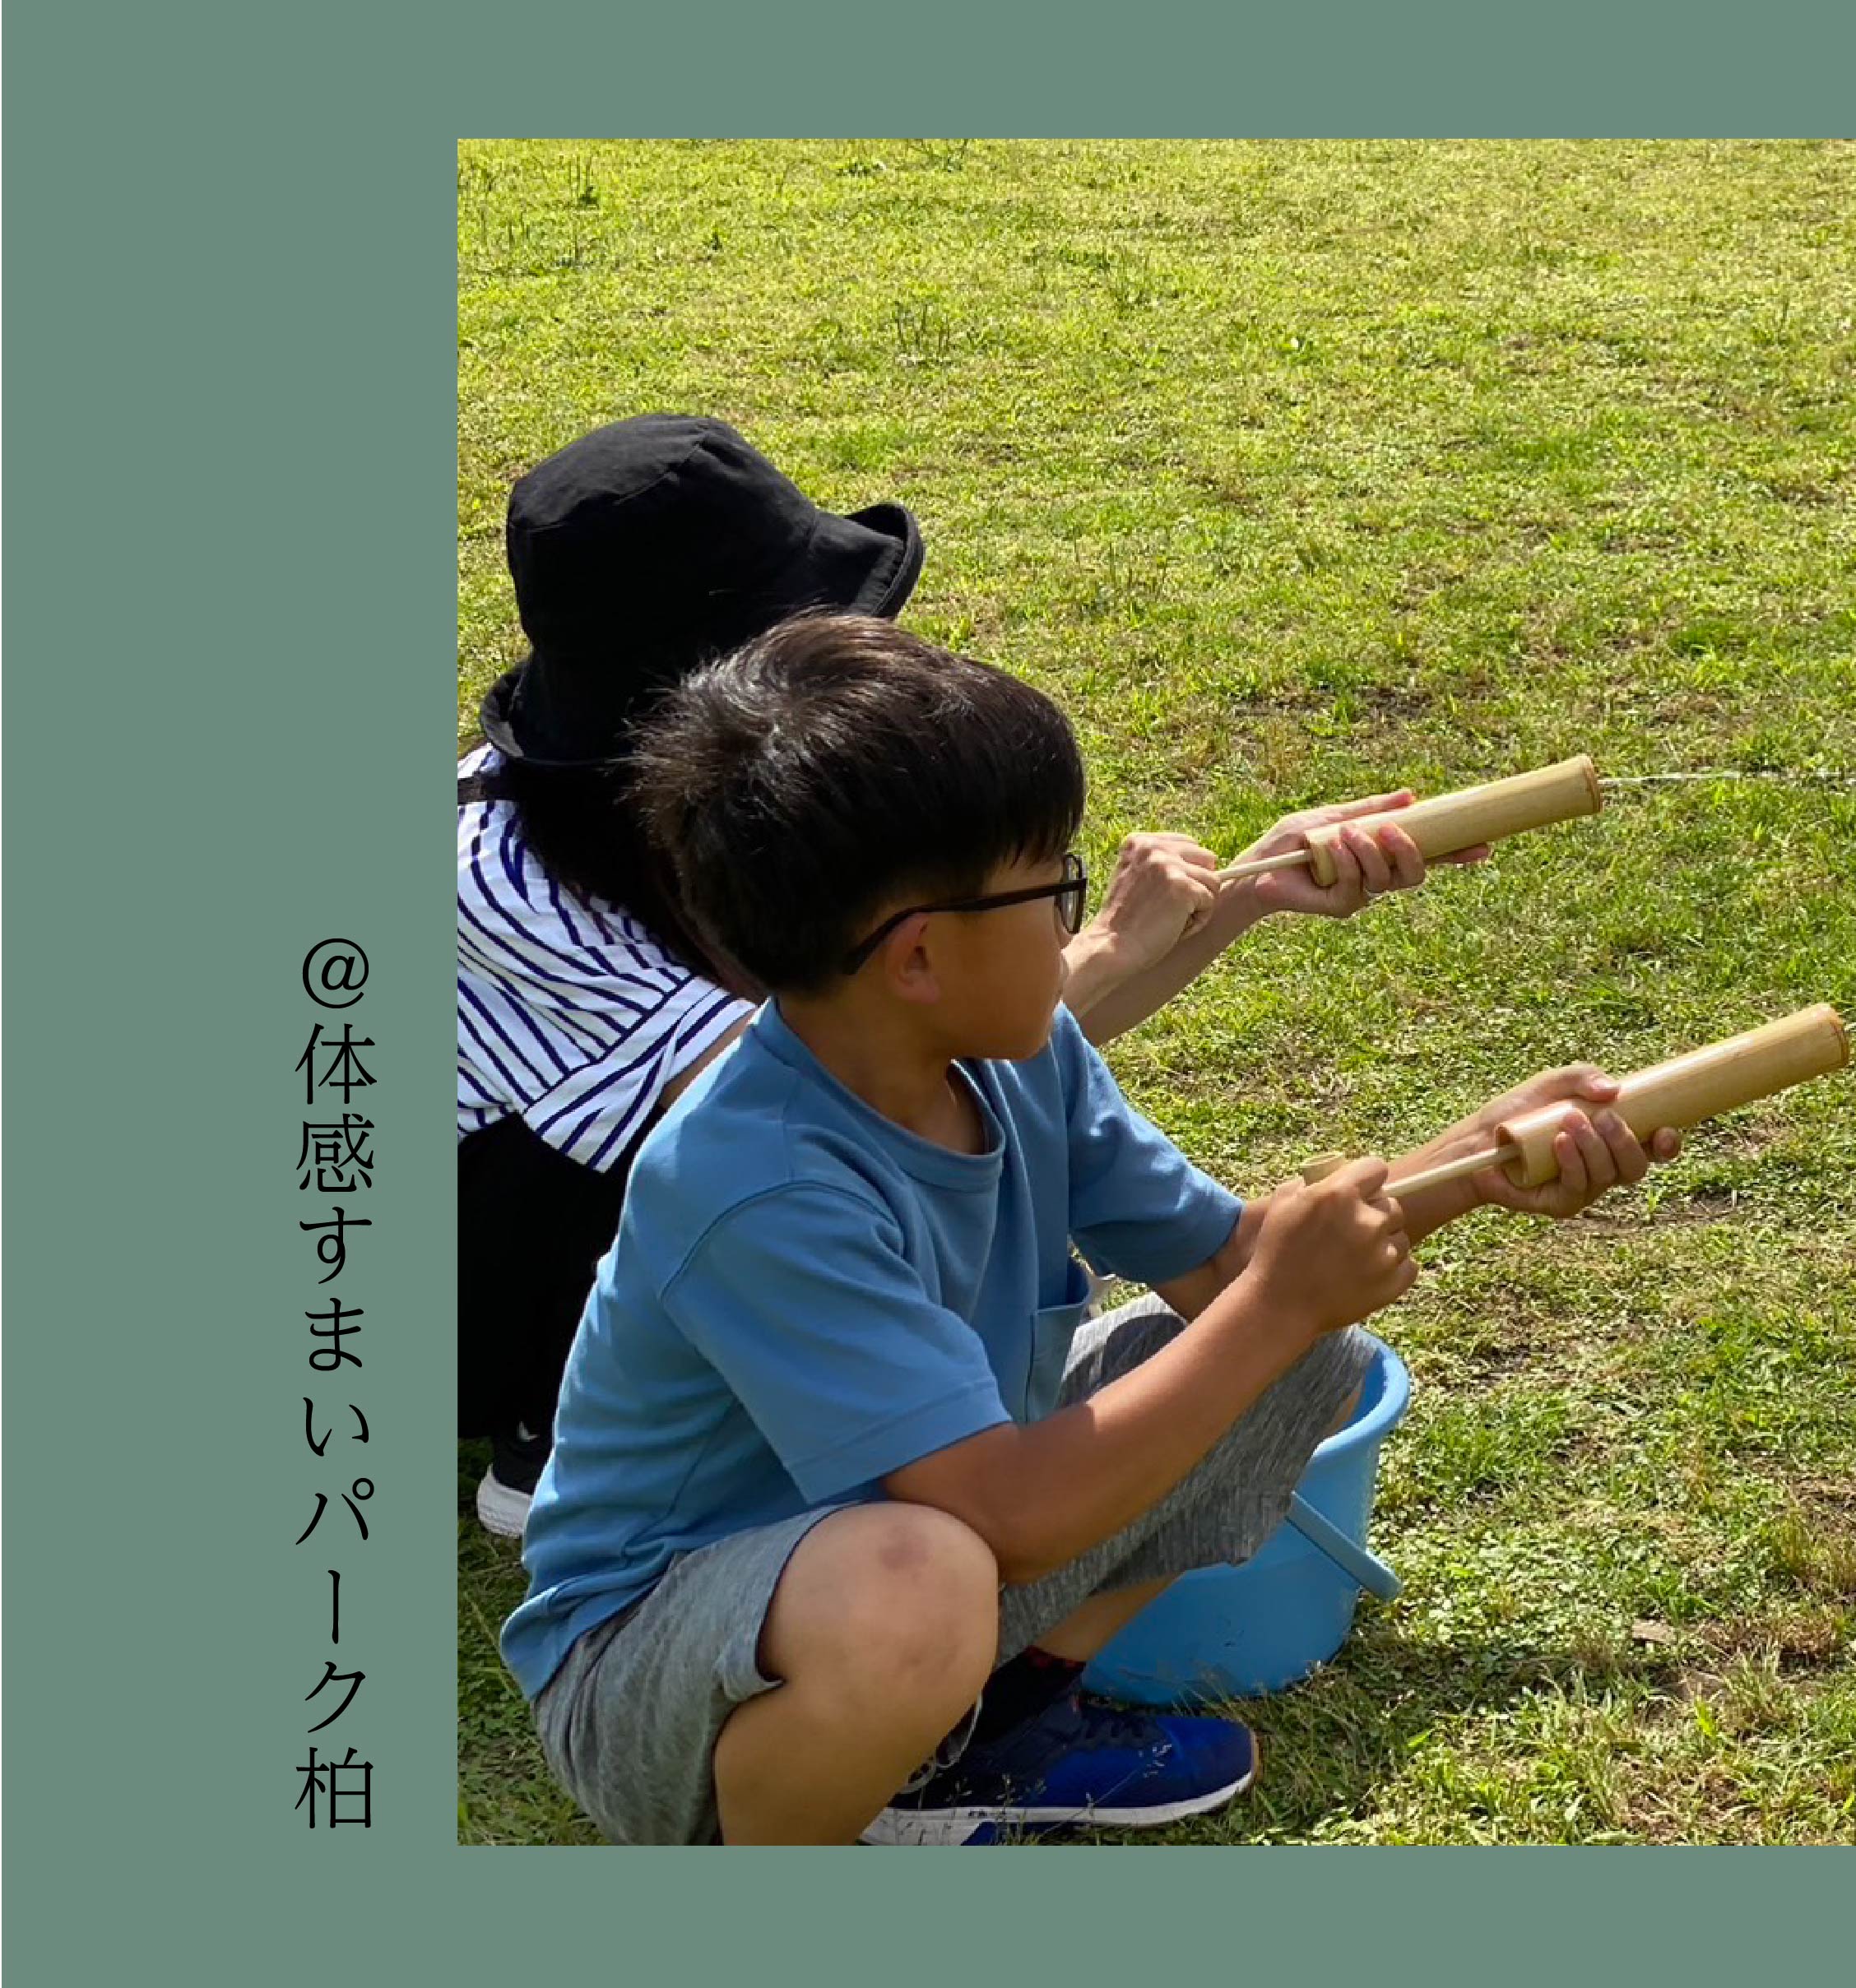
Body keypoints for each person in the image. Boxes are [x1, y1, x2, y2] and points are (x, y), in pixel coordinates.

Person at [499, 615, 1673, 1844]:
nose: (1077, 921)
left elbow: (1231, 1270)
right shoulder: (759, 1180)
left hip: (906, 1542)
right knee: (924, 1582)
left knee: (1303, 1357)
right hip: (660, 1671)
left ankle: (980, 1737)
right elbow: (1006, 1514)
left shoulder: (1016, 1053)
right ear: (916, 957)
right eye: (1052, 886)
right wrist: (1277, 1300)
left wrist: (1476, 1162)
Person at [458, 414, 1461, 1535]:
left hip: (797, 1211)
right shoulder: (508, 888)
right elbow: (839, 1072)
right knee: (906, 1525)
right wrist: (1129, 941)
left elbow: (963, 1013)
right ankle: (540, 1421)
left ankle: (1007, 1667)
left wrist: (1245, 895)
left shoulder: (803, 894)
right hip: (504, 1286)